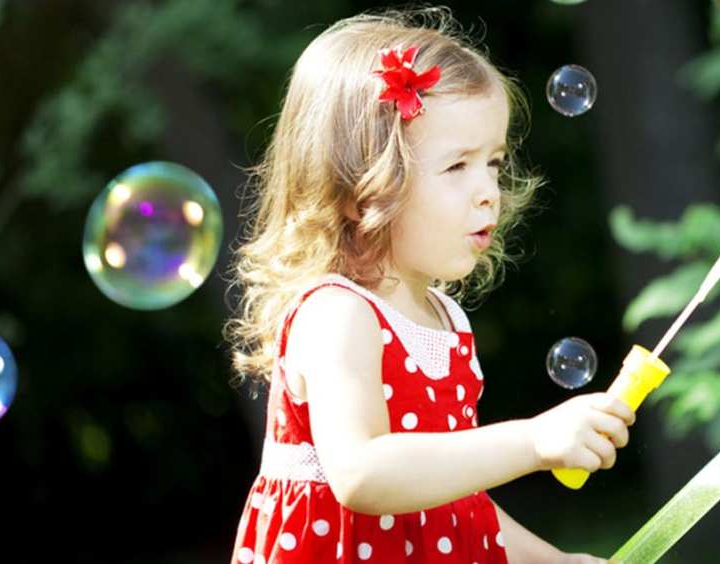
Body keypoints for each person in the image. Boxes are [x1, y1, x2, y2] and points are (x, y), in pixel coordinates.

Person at [224, 8, 634, 563]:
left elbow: (456, 501)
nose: (489, 189)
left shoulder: (445, 318)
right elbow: (363, 474)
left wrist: (556, 561)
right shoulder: (337, 314)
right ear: (360, 188)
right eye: (457, 167)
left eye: (492, 162)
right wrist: (533, 441)